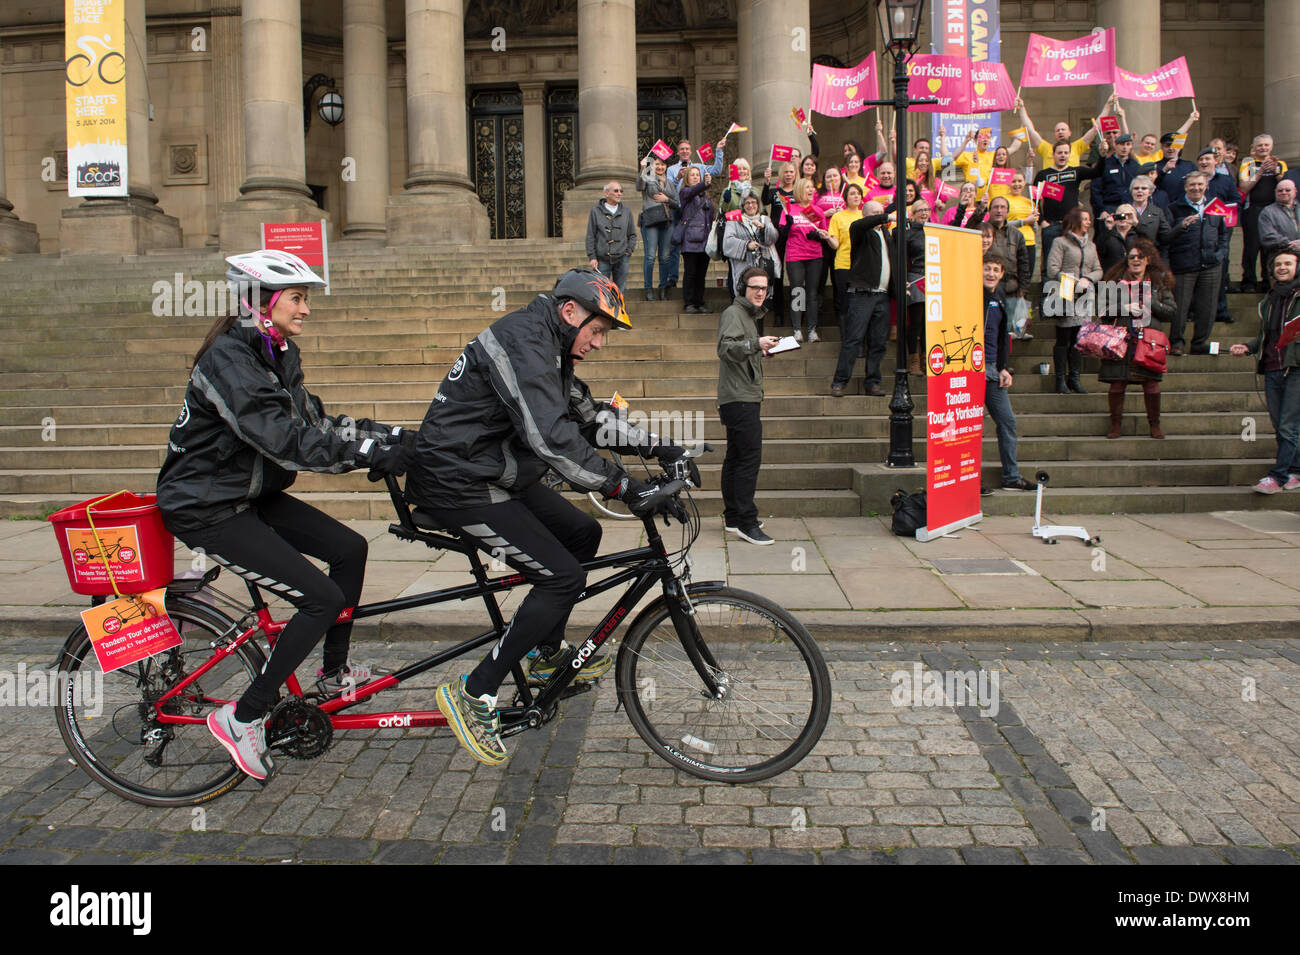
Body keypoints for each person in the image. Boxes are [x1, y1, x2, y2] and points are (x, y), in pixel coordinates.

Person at [155, 250, 413, 780]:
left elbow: (315, 420)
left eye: (305, 299)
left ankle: (335, 674)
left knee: (350, 549)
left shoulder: (277, 351)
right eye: (298, 298)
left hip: (248, 493)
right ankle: (242, 717)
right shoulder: (227, 360)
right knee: (320, 598)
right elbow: (283, 439)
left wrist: (391, 435)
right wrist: (363, 455)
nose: (307, 309)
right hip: (205, 506)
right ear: (261, 304)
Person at [407, 269, 682, 765]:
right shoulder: (522, 342)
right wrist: (623, 486)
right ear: (570, 312)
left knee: (583, 532)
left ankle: (542, 654)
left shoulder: (551, 346)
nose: (599, 343)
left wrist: (661, 447)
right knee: (562, 577)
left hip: (494, 473)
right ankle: (475, 692)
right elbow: (552, 438)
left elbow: (587, 415)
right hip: (457, 480)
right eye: (597, 331)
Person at [718, 267, 781, 545]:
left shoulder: (746, 315)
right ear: (742, 287)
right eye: (754, 287)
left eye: (764, 288)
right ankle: (746, 521)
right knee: (747, 460)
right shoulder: (734, 313)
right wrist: (756, 343)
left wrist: (760, 350)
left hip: (739, 397)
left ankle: (733, 517)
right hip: (740, 399)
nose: (759, 292)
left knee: (735, 458)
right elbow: (725, 348)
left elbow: (739, 349)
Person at [1229, 251, 1300, 492]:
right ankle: (1296, 470)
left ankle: (1278, 477)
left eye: (1288, 263)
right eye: (1278, 264)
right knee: (1280, 424)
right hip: (1272, 366)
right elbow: (1266, 336)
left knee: (1289, 425)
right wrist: (1248, 347)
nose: (1282, 267)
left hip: (1295, 367)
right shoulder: (1270, 300)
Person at [1097, 238, 1177, 439]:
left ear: (1148, 260)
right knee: (1117, 384)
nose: (1135, 260)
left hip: (1148, 340)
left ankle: (1155, 425)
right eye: (1131, 256)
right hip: (1120, 340)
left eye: (1140, 256)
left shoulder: (1158, 283)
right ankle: (1115, 425)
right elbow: (1101, 310)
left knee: (1151, 385)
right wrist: (1124, 308)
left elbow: (1171, 311)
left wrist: (1150, 304)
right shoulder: (1114, 281)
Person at [980, 253, 1035, 492]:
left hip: (993, 369)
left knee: (1007, 421)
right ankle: (967, 479)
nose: (990, 273)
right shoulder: (971, 293)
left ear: (1002, 274)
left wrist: (1004, 367)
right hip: (970, 368)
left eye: (995, 270)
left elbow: (1004, 336)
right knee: (969, 427)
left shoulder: (1000, 295)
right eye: (987, 268)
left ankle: (1011, 476)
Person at [835, 200, 897, 397]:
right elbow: (862, 224)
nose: (881, 216)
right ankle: (840, 382)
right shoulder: (859, 230)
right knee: (853, 340)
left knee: (878, 342)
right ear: (866, 215)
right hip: (862, 295)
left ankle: (873, 382)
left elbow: (890, 262)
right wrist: (886, 216)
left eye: (882, 212)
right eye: (876, 213)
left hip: (882, 295)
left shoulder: (886, 234)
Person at [1167, 171, 1227, 356]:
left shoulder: (1215, 207)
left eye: (1200, 184)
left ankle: (1200, 342)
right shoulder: (1174, 208)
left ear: (1206, 186)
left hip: (1211, 264)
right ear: (1185, 187)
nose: (1196, 188)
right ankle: (1176, 342)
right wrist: (1181, 226)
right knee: (1180, 307)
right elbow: (1167, 236)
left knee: (1207, 306)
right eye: (1192, 185)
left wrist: (1220, 254)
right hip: (1184, 265)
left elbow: (1224, 235)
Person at [1046, 206, 1103, 393]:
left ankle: (1075, 378)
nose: (1088, 222)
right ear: (1076, 220)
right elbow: (1052, 269)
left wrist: (1088, 279)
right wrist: (1073, 281)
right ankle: (1060, 379)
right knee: (1064, 338)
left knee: (1079, 339)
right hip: (1065, 293)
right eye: (1085, 219)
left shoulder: (1091, 245)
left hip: (1086, 296)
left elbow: (1098, 269)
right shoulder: (1060, 242)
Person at [663, 135, 728, 297]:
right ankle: (672, 279)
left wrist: (718, 151)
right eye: (682, 149)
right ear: (678, 153)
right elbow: (671, 190)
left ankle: (698, 301)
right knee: (675, 247)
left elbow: (716, 170)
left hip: (697, 216)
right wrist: (679, 178)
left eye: (687, 149)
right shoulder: (671, 169)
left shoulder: (699, 167)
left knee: (699, 272)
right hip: (679, 209)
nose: (685, 151)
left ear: (690, 152)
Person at [1034, 141, 1102, 281]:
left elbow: (1097, 172)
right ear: (1053, 155)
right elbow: (1032, 200)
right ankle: (1048, 299)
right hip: (1051, 226)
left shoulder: (1076, 172)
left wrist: (1102, 155)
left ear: (1069, 155)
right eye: (1059, 152)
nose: (1063, 155)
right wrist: (1042, 221)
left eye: (1066, 153)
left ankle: (1071, 296)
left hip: (1072, 227)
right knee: (1049, 265)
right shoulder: (1043, 175)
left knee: (1071, 264)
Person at [778, 177, 830, 342]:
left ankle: (812, 330)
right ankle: (797, 329)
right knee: (797, 291)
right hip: (795, 256)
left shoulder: (817, 211)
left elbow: (825, 234)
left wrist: (818, 235)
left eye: (812, 188)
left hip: (815, 256)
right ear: (800, 189)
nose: (811, 190)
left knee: (813, 293)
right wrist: (787, 226)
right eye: (807, 187)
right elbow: (782, 234)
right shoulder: (789, 209)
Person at [636, 155, 678, 301]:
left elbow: (676, 203)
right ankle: (648, 288)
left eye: (663, 165)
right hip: (651, 220)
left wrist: (666, 199)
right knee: (650, 256)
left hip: (667, 221)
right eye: (657, 165)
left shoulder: (670, 183)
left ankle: (663, 287)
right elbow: (639, 186)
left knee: (665, 257)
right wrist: (643, 168)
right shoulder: (648, 178)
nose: (660, 167)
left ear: (666, 167)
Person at [1017, 96, 1101, 168]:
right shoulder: (1046, 148)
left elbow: (1094, 129)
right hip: (1051, 186)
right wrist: (1021, 108)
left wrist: (1108, 105)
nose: (1060, 132)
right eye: (1057, 130)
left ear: (1069, 133)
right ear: (1054, 135)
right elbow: (1031, 130)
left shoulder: (1076, 147)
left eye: (1063, 129)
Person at [675, 166, 716, 314]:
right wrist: (704, 184)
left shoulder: (705, 196)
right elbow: (693, 191)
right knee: (690, 273)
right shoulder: (685, 192)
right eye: (692, 175)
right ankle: (689, 302)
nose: (695, 177)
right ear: (687, 178)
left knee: (701, 274)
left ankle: (699, 302)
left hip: (704, 241)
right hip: (690, 241)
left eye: (697, 175)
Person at [722, 191, 779, 296]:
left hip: (763, 267)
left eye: (754, 202)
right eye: (747, 203)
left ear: (758, 205)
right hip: (743, 268)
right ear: (743, 206)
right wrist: (746, 245)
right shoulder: (734, 220)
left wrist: (763, 228)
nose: (751, 205)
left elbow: (773, 238)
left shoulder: (765, 219)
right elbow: (727, 242)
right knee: (745, 296)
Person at [585, 181, 636, 295]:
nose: (619, 194)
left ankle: (619, 312)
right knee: (602, 292)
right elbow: (590, 235)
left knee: (619, 292)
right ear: (606, 193)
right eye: (616, 191)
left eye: (621, 191)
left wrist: (628, 251)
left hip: (622, 258)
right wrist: (592, 257)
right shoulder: (596, 211)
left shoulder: (626, 211)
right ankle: (604, 313)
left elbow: (632, 234)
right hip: (602, 259)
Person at [825, 183, 865, 330]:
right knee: (844, 301)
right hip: (843, 264)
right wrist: (828, 238)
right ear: (846, 198)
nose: (856, 196)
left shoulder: (865, 215)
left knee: (860, 303)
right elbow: (835, 244)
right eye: (852, 193)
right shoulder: (838, 217)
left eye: (858, 193)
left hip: (862, 265)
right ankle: (845, 336)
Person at [1092, 133, 1155, 218]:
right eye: (1121, 144)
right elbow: (1095, 190)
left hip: (1131, 208)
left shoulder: (1136, 166)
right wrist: (1101, 210)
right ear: (1115, 145)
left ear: (1131, 146)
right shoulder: (1104, 165)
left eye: (1128, 144)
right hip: (1109, 209)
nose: (1124, 147)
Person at [1258, 178, 1300, 275]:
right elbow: (1267, 237)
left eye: (1287, 190)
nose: (1283, 192)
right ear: (1275, 192)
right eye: (1280, 190)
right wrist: (1290, 244)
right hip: (1280, 255)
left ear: (1295, 191)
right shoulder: (1267, 212)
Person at [1128, 175, 1171, 248]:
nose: (1139, 190)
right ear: (1131, 192)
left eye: (1144, 188)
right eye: (1136, 188)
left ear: (1150, 193)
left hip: (1150, 253)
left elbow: (1166, 237)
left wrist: (1181, 227)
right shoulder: (1123, 209)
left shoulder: (1158, 212)